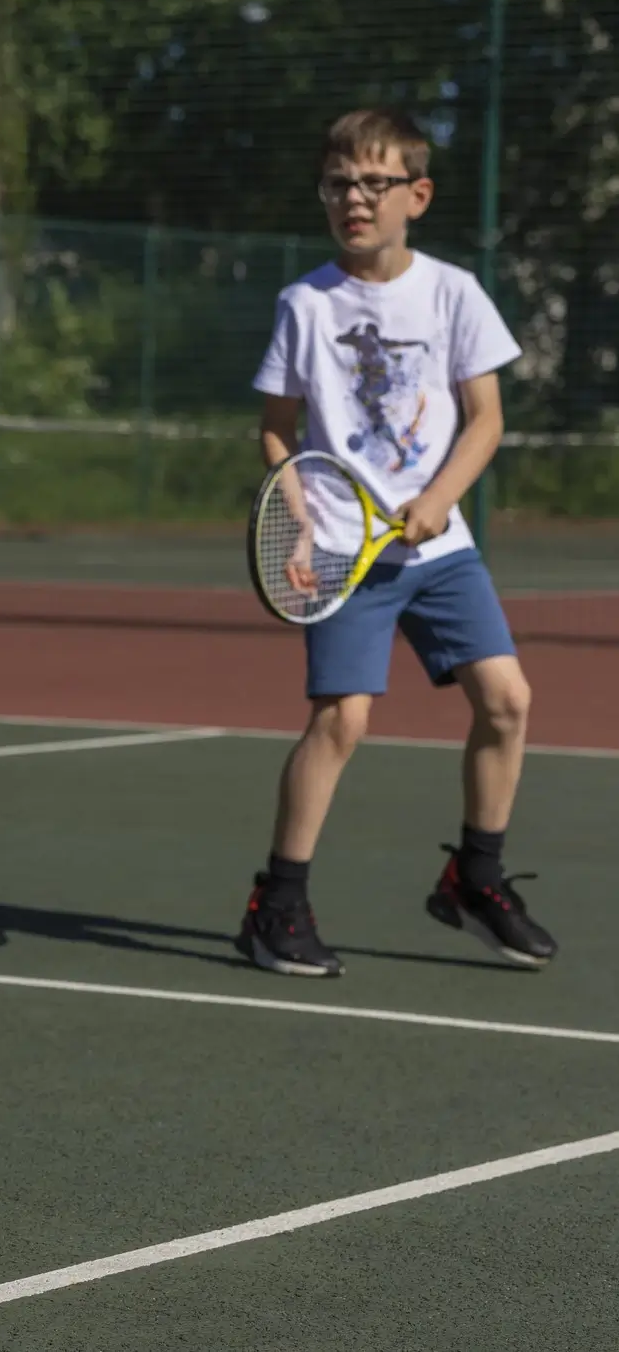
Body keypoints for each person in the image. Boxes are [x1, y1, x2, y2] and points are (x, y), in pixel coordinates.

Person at [235, 108, 552, 978]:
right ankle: (277, 904)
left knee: (508, 701)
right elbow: (277, 430)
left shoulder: (452, 293)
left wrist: (437, 497)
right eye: (338, 183)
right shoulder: (304, 303)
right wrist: (298, 518)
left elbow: (485, 420)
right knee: (342, 721)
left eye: (374, 183)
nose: (354, 199)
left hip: (439, 548)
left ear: (416, 194)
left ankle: (473, 880)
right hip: (342, 554)